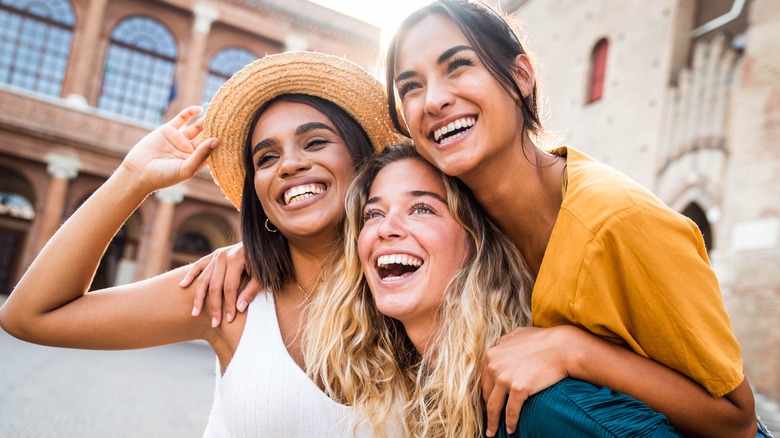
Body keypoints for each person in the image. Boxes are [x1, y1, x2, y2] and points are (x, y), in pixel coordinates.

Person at [383, 0, 768, 437]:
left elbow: (737, 420)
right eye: (411, 86)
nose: (434, 100)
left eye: (458, 65)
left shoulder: (619, 222)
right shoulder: (463, 225)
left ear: (521, 77)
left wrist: (575, 350)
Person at [0, 51, 401, 437]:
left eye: (315, 142)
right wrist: (132, 178)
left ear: (364, 159)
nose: (289, 164)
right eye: (265, 158)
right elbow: (31, 315)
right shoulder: (227, 297)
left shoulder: (418, 293)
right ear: (257, 196)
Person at [304, 143, 683, 438]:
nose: (387, 228)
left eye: (421, 208)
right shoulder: (412, 396)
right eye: (374, 214)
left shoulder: (541, 405)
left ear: (476, 242)